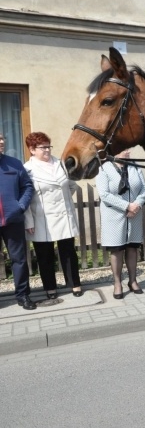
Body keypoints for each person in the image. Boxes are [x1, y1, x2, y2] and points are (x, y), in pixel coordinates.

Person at [23, 132, 83, 298]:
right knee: (45, 255)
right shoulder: (27, 170)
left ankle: (75, 284)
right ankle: (50, 288)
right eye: (43, 147)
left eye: (49, 146)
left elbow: (72, 186)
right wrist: (28, 221)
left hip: (64, 216)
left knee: (69, 252)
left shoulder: (60, 163)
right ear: (32, 150)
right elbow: (25, 198)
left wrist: (64, 202)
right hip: (41, 218)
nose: (47, 150)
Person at [96, 150, 145, 299]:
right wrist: (127, 206)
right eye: (123, 149)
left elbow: (143, 189)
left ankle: (133, 281)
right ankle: (117, 283)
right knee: (117, 250)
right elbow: (104, 194)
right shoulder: (103, 168)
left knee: (132, 248)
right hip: (114, 215)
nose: (127, 152)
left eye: (128, 149)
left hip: (134, 215)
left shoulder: (134, 166)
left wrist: (136, 205)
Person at [0, 131, 36, 309]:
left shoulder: (14, 164)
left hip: (12, 219)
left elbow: (28, 186)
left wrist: (20, 206)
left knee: (19, 259)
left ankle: (22, 295)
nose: (1, 141)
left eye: (2, 138)